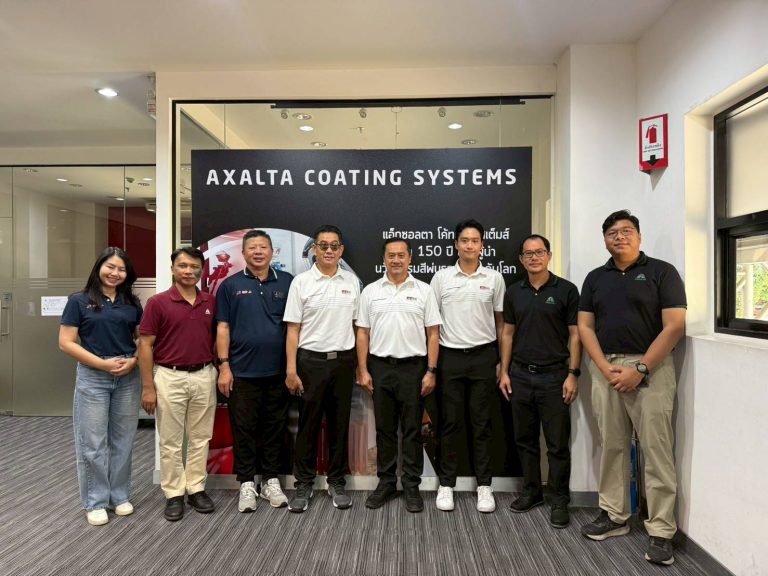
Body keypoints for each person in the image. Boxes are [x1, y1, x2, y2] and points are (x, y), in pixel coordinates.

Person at [578, 210, 686, 566]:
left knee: (656, 448)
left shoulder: (662, 272)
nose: (619, 237)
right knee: (612, 445)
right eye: (612, 233)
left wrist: (639, 369)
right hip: (606, 368)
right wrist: (603, 366)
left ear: (639, 236)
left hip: (651, 368)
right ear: (605, 240)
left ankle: (661, 530)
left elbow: (674, 326)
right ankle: (614, 515)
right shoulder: (595, 278)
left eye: (626, 231)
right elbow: (585, 326)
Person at [498, 235, 581, 528]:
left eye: (539, 252)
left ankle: (559, 500)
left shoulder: (566, 290)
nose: (534, 257)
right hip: (520, 375)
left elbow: (575, 335)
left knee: (557, 444)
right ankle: (532, 491)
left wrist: (573, 373)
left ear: (549, 255)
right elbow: (507, 333)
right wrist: (504, 371)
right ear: (521, 259)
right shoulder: (514, 292)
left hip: (555, 377)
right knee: (525, 440)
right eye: (528, 253)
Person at [356, 237, 441, 513]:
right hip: (380, 367)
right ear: (384, 259)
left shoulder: (424, 290)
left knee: (413, 429)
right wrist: (362, 369)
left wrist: (431, 370)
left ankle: (412, 485)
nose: (396, 260)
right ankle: (387, 482)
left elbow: (433, 333)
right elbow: (362, 333)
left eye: (401, 255)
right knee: (385, 429)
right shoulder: (371, 291)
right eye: (391, 255)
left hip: (414, 368)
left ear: (410, 258)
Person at [59, 247, 143, 526]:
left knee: (123, 440)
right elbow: (66, 342)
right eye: (110, 267)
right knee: (92, 443)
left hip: (128, 376)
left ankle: (119, 496)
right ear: (98, 268)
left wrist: (134, 361)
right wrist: (102, 364)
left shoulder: (132, 302)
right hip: (93, 375)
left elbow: (142, 339)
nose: (115, 273)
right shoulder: (79, 301)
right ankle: (95, 501)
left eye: (121, 269)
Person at [430, 218, 505, 513]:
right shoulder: (441, 278)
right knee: (450, 422)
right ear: (456, 245)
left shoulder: (494, 278)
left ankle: (484, 486)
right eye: (464, 240)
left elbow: (501, 324)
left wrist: (501, 362)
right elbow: (432, 325)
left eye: (474, 241)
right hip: (450, 357)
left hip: (484, 356)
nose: (469, 245)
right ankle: (446, 484)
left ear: (482, 245)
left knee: (482, 422)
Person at [283, 225, 360, 513]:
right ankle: (304, 484)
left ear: (341, 250)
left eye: (334, 246)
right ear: (314, 249)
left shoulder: (351, 282)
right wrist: (291, 370)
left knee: (340, 425)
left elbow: (357, 327)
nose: (328, 250)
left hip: (343, 362)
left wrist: (359, 365)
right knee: (309, 425)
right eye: (323, 245)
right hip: (310, 362)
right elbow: (293, 330)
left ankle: (336, 482)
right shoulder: (301, 282)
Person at [216, 230, 293, 512]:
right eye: (252, 248)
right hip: (241, 372)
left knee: (275, 428)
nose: (258, 252)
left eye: (263, 247)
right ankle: (247, 482)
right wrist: (224, 366)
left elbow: (295, 327)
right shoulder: (230, 285)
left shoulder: (288, 282)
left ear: (272, 252)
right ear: (243, 253)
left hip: (278, 372)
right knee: (244, 429)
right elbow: (222, 327)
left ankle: (270, 480)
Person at [139, 247, 217, 522]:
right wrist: (148, 387)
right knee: (171, 440)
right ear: (173, 269)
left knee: (200, 437)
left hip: (204, 374)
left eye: (194, 267)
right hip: (169, 376)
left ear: (201, 270)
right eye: (183, 266)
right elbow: (145, 345)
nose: (188, 271)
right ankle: (173, 493)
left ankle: (196, 488)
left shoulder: (210, 301)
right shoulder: (158, 302)